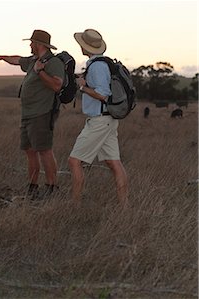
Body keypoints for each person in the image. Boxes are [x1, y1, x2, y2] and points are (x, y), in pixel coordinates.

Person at [0, 29, 64, 200]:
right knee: (30, 151)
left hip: (42, 113)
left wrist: (40, 72)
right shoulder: (33, 60)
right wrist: (1, 57)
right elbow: (17, 59)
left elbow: (57, 85)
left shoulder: (53, 62)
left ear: (39, 45)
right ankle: (32, 187)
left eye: (32, 42)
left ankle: (52, 188)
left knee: (44, 150)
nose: (30, 45)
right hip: (28, 114)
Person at [68, 29, 128, 205]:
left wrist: (81, 87)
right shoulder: (100, 64)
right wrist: (85, 82)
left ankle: (75, 205)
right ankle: (125, 206)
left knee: (74, 161)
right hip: (108, 119)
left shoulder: (97, 66)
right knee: (113, 162)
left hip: (100, 120)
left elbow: (103, 94)